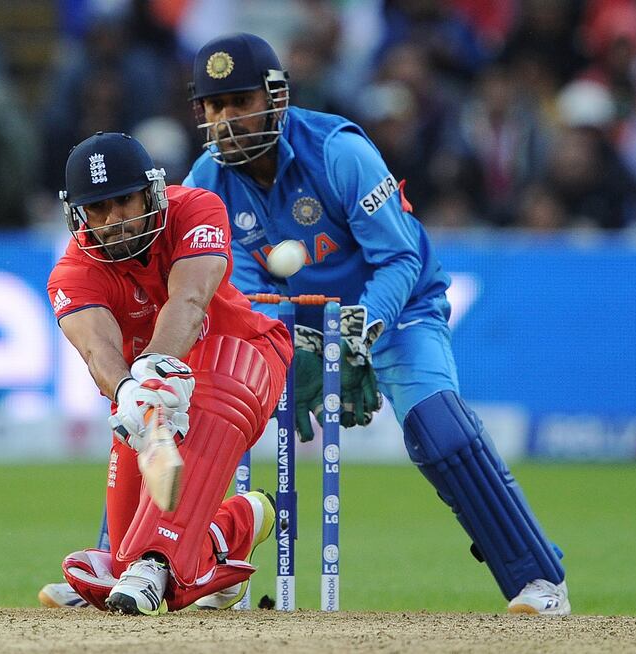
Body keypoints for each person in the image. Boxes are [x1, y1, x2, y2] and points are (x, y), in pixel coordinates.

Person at [182, 32, 570, 615]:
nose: (226, 122)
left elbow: (400, 256)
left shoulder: (338, 150)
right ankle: (168, 565)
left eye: (240, 103)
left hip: (399, 306)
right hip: (299, 322)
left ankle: (539, 582)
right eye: (215, 108)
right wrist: (294, 339)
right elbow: (235, 288)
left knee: (441, 431)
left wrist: (363, 329)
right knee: (194, 407)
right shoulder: (206, 179)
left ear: (276, 99)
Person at [44, 130, 291, 615]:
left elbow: (191, 299)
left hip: (245, 358)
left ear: (151, 191)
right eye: (97, 209)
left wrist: (155, 372)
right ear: (78, 215)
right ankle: (237, 525)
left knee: (146, 564)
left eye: (124, 201)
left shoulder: (195, 209)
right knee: (125, 560)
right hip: (149, 402)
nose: (114, 221)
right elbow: (98, 351)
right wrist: (131, 390)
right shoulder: (73, 273)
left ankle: (156, 565)